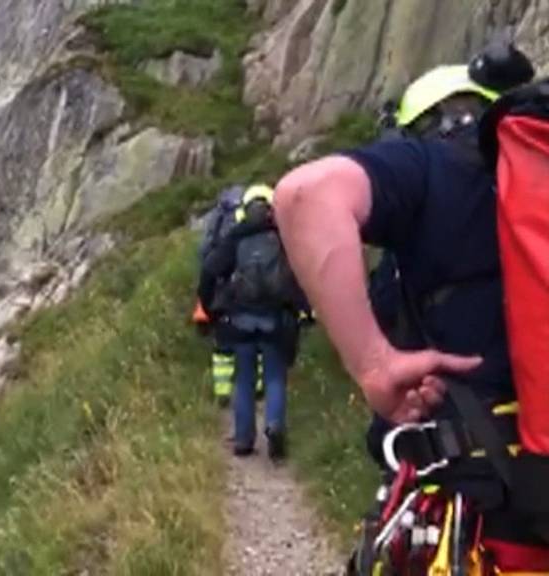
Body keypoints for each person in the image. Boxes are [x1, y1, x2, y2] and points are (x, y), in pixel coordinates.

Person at [272, 47, 548, 572]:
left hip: (482, 517)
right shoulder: (534, 172)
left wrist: (373, 363)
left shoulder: (431, 167)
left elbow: (306, 196)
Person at [198, 184, 306, 461]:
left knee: (243, 379)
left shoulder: (235, 237)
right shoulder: (284, 237)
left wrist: (208, 308)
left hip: (240, 318)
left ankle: (244, 440)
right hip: (276, 318)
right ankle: (274, 426)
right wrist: (305, 310)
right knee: (274, 377)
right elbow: (302, 275)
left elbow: (210, 270)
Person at [193, 186, 264, 407]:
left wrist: (205, 300)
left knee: (222, 343)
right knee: (258, 340)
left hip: (222, 282)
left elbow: (205, 249)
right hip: (254, 285)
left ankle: (222, 389)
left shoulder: (219, 217)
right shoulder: (255, 222)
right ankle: (259, 385)